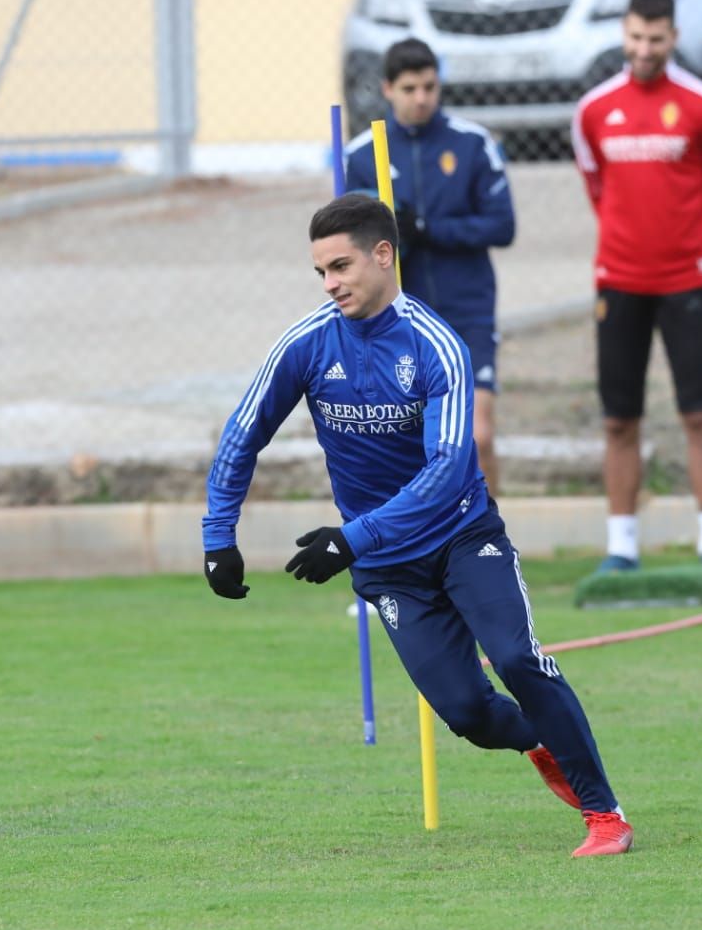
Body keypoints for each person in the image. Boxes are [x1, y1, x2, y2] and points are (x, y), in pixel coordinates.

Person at [201, 194, 632, 858]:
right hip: (389, 569)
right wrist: (217, 538)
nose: (330, 283)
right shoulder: (308, 342)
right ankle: (538, 740)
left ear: (383, 255)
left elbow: (445, 469)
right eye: (320, 272)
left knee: (518, 657)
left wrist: (351, 538)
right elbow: (241, 435)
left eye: (340, 265)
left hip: (463, 537)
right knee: (467, 714)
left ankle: (605, 815)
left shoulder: (436, 345)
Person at [570, 0, 702, 572]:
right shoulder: (594, 109)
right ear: (624, 34)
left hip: (685, 280)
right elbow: (597, 186)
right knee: (619, 418)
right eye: (636, 38)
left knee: (700, 413)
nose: (644, 49)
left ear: (674, 37)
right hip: (618, 281)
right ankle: (621, 546)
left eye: (656, 39)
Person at [344, 37, 516, 497]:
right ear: (388, 89)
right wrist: (388, 240)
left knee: (477, 438)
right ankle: (415, 556)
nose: (421, 98)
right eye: (410, 88)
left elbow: (502, 226)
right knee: (406, 448)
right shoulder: (363, 155)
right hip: (400, 321)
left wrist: (428, 227)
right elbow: (349, 250)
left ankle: (490, 548)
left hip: (467, 312)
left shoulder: (472, 143)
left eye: (429, 86)